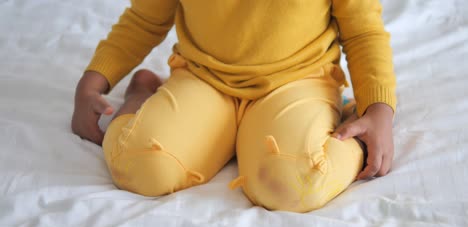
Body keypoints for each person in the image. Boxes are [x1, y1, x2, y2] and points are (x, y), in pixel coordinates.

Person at [71, 0, 396, 213]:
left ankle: (348, 119)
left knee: (293, 183)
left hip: (299, 81)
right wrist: (93, 82)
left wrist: (378, 110)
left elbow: (363, 32)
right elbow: (143, 21)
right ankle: (140, 96)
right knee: (140, 165)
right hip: (204, 78)